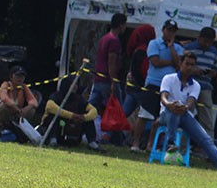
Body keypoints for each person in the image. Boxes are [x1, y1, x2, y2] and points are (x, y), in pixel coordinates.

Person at [157, 52, 217, 173]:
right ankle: (170, 143)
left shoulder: (196, 85)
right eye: (187, 64)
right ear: (180, 64)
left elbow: (191, 102)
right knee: (174, 109)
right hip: (166, 114)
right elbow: (163, 97)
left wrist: (184, 107)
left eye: (192, 65)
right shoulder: (168, 78)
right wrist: (170, 105)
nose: (189, 67)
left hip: (184, 115)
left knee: (206, 139)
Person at [132, 20, 183, 152]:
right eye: (168, 30)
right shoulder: (153, 43)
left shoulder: (177, 48)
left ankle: (151, 145)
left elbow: (179, 65)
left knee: (160, 118)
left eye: (173, 31)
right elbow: (155, 62)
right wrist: (171, 62)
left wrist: (171, 48)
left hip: (168, 87)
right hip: (153, 83)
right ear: (163, 29)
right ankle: (135, 143)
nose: (170, 33)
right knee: (144, 114)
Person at [88, 12, 127, 143]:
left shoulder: (104, 38)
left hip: (97, 79)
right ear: (121, 26)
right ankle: (111, 137)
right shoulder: (114, 41)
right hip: (107, 80)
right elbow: (112, 62)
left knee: (89, 107)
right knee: (116, 110)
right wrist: (113, 81)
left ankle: (83, 128)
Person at [40, 72, 99, 149]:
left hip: (72, 132)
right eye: (72, 84)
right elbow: (50, 107)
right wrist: (71, 116)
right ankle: (53, 140)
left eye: (76, 84)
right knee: (53, 115)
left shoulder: (79, 99)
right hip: (59, 130)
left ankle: (92, 143)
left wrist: (84, 117)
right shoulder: (57, 95)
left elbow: (94, 111)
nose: (75, 86)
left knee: (88, 118)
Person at [182, 26, 217, 139]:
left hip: (205, 87)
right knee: (186, 116)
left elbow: (215, 69)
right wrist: (194, 70)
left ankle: (208, 149)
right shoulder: (189, 48)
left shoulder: (214, 51)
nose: (207, 44)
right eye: (205, 41)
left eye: (210, 42)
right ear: (199, 38)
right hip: (190, 85)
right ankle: (181, 148)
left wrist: (211, 73)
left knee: (207, 120)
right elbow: (181, 67)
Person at [123, 23, 156, 150]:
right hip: (140, 89)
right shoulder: (144, 51)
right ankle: (139, 142)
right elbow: (143, 70)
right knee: (144, 116)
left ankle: (108, 135)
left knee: (125, 113)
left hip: (132, 87)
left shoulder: (136, 49)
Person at [0, 65, 39, 142]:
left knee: (32, 110)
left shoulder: (24, 87)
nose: (20, 78)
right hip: (1, 117)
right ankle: (2, 128)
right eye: (17, 76)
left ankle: (20, 128)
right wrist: (16, 108)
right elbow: (4, 98)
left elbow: (34, 102)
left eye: (22, 76)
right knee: (4, 106)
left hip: (16, 116)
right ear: (11, 76)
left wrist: (26, 109)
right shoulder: (6, 84)